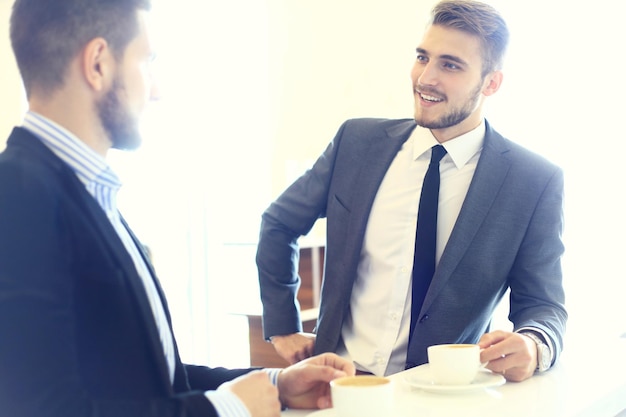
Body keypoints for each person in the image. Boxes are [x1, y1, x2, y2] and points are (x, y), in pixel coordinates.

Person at [0, 1, 355, 417]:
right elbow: (44, 410)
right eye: (147, 60)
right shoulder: (18, 197)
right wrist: (226, 410)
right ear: (98, 64)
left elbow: (152, 379)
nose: (156, 89)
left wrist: (275, 385)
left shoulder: (85, 192)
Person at [256, 0, 567, 383]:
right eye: (423, 57)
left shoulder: (532, 180)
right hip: (337, 387)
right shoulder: (357, 143)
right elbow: (278, 223)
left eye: (450, 65)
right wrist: (282, 325)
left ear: (491, 82)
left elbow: (544, 305)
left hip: (442, 396)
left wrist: (535, 344)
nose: (426, 78)